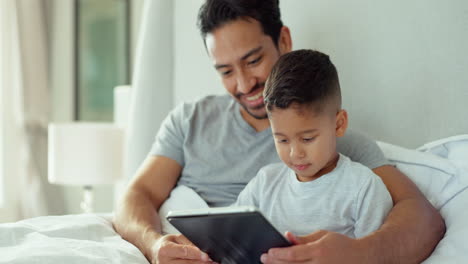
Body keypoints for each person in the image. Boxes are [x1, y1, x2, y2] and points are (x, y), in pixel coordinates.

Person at [113, 0, 445, 263]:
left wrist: (360, 253)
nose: (243, 84)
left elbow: (423, 219)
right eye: (226, 71)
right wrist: (154, 245)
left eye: (253, 60)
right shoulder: (188, 121)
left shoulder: (335, 143)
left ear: (283, 40)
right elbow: (135, 196)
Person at [234, 49, 393, 262]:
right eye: (282, 139)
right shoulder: (264, 185)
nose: (295, 153)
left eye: (307, 139)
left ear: (339, 124)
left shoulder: (363, 188)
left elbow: (377, 256)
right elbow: (232, 236)